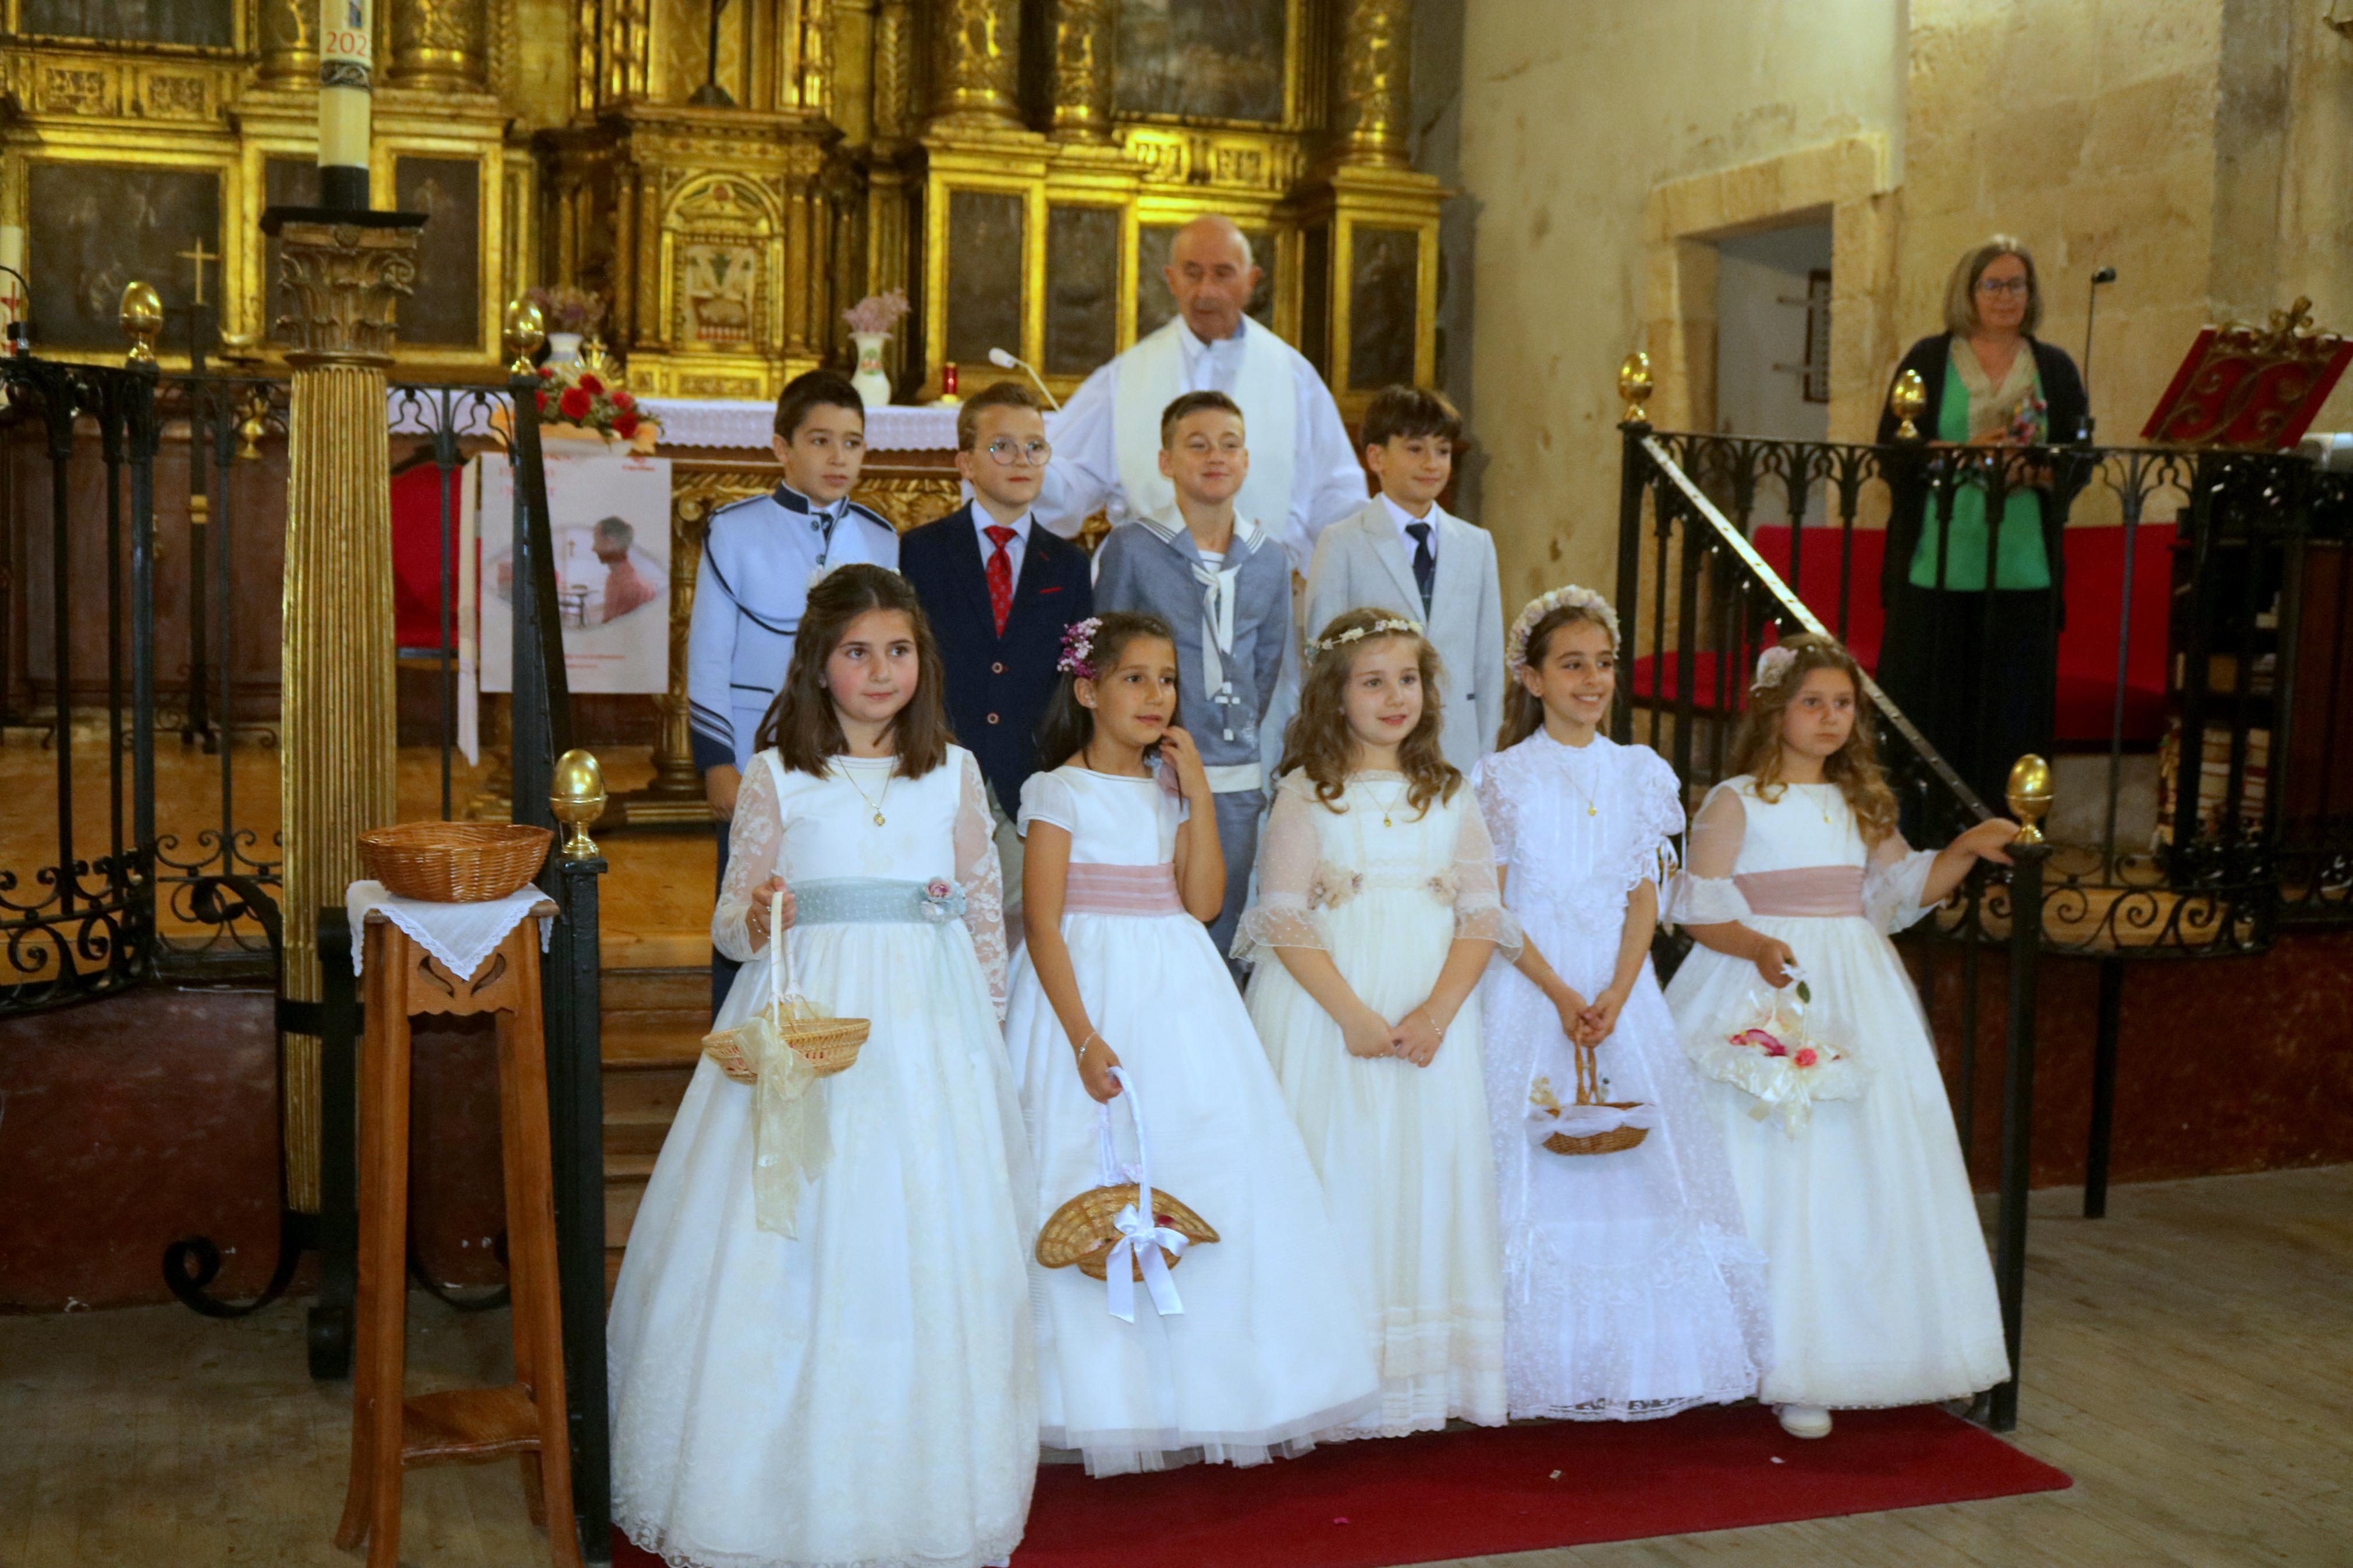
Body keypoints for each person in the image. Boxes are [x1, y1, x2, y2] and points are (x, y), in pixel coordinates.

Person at [609, 564, 1036, 1568]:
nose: (879, 671)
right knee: (794, 1235)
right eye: (857, 652)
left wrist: (986, 1042)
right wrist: (758, 916)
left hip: (928, 1038)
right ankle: (760, 1484)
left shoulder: (958, 773)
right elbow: (732, 920)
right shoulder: (776, 775)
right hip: (812, 1024)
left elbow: (982, 916)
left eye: (897, 651)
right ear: (819, 666)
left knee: (918, 1241)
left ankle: (916, 1484)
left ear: (921, 664)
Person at [1003, 611, 1380, 1475]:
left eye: (1165, 678)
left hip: (1178, 988)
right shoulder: (1056, 791)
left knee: (1200, 1157)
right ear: (1088, 689)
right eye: (1132, 677)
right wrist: (1083, 1035)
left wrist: (1200, 797)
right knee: (1084, 1166)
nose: (1154, 694)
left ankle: (1204, 1389)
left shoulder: (1171, 787)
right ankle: (1091, 1394)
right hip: (1090, 989)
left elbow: (1203, 900)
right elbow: (1044, 923)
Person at [1662, 634, 2017, 1441]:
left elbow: (1894, 893)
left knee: (1859, 1162)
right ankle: (1746, 1353)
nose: (1829, 717)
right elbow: (1698, 907)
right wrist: (1753, 945)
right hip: (1763, 982)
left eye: (1842, 704)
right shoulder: (1735, 800)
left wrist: (1960, 849)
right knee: (1763, 1163)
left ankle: (1841, 1353)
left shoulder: (1862, 802)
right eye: (1811, 702)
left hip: (1854, 983)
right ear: (1773, 711)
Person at [1470, 586, 1769, 1421]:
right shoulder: (1499, 777)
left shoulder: (1641, 771)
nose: (1592, 680)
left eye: (1603, 664)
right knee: (1528, 1159)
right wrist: (1562, 991)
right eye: (1571, 665)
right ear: (1529, 678)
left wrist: (1614, 986)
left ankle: (1648, 1355)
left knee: (1639, 1159)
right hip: (1531, 985)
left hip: (1618, 988)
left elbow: (1646, 891)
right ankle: (1529, 1363)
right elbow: (1490, 906)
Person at [1235, 607, 1516, 1438]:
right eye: (1372, 681)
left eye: (1407, 679)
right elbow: (1282, 917)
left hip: (1429, 1015)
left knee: (1422, 1174)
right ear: (1334, 693)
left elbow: (1480, 913)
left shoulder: (1450, 792)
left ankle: (1411, 1380)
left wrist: (1434, 1011)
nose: (1395, 696)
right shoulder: (1302, 792)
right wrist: (1354, 1015)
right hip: (1332, 1012)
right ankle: (1322, 1374)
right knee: (1340, 1167)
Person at [686, 369, 897, 1014]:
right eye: (821, 441)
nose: (839, 458)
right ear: (782, 447)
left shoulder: (879, 537)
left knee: (837, 902)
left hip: (851, 757)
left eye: (853, 443)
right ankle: (736, 1046)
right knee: (750, 906)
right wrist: (716, 762)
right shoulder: (735, 530)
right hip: (761, 754)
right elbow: (707, 653)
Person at [1875, 236, 2089, 808]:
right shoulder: (1926, 358)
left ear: (2030, 293)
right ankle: (1927, 836)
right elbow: (1892, 447)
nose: (2003, 296)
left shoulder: (2054, 367)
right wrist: (1964, 453)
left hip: (2023, 569)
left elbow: (2081, 457)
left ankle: (2005, 839)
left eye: (2015, 284)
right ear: (1967, 293)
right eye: (1990, 284)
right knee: (1930, 708)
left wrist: (2037, 473)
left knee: (2012, 713)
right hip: (1936, 563)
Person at [1033, 213, 1367, 575]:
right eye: (1192, 273)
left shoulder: (1295, 378)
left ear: (1251, 280)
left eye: (1223, 273)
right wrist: (1017, 472)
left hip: (1262, 591)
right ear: (1171, 279)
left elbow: (1335, 492)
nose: (1206, 291)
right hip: (1149, 590)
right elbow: (1070, 475)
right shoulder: (1125, 377)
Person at [1092, 391, 1291, 968]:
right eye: (1197, 445)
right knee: (1154, 930)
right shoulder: (1133, 548)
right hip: (1152, 773)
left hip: (1232, 773)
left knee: (1220, 932)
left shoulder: (1268, 558)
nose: (1215, 457)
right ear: (1165, 461)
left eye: (1229, 445)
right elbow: (1107, 660)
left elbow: (1267, 663)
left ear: (1246, 461)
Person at [899, 380, 1094, 920]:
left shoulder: (1070, 565)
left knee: (1018, 934)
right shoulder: (920, 552)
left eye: (1035, 447)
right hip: (939, 769)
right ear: (965, 462)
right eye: (1001, 446)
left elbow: (1075, 677)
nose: (1022, 460)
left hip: (1028, 778)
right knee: (936, 927)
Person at [1304, 385, 1506, 771]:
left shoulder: (1476, 544)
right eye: (1415, 449)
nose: (1432, 463)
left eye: (1442, 451)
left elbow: (1487, 662)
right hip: (1371, 747)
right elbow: (1323, 660)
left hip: (1457, 747)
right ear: (1376, 457)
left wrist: (1488, 759)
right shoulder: (1342, 542)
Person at [592, 515, 661, 623]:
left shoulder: (630, 588)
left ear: (610, 543)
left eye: (596, 541)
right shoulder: (612, 578)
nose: (593, 548)